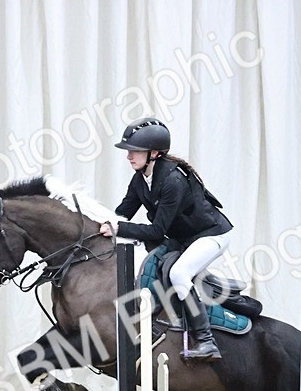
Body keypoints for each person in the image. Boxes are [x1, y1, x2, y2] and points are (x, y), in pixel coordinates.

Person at [99, 117, 233, 362]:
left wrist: (119, 228)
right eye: (128, 150)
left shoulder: (173, 181)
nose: (129, 156)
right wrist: (100, 224)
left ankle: (206, 341)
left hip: (211, 234)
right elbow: (123, 213)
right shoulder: (141, 178)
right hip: (183, 237)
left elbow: (157, 231)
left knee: (179, 273)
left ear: (154, 153)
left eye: (135, 150)